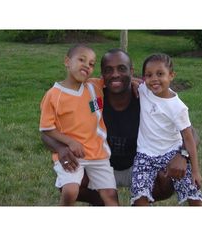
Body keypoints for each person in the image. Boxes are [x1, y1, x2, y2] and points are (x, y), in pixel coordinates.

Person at [41, 49, 189, 205]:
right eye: (108, 70)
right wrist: (62, 148)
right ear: (102, 76)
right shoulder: (93, 96)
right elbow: (46, 133)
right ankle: (103, 204)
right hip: (101, 163)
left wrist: (183, 155)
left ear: (131, 72)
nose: (116, 74)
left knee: (167, 177)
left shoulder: (148, 96)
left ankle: (142, 199)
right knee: (70, 178)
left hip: (139, 166)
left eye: (122, 69)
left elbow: (191, 133)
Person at [39, 44, 119, 206]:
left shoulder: (94, 86)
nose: (87, 65)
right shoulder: (54, 95)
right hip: (73, 155)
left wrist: (137, 82)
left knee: (110, 196)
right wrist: (69, 142)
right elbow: (47, 128)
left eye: (91, 64)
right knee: (70, 191)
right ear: (67, 61)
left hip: (99, 154)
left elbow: (116, 80)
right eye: (81, 60)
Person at [131, 53, 202, 206]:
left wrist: (196, 170)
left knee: (193, 193)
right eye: (149, 75)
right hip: (144, 155)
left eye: (160, 74)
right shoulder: (144, 90)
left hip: (171, 152)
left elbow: (189, 137)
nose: (154, 79)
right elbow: (131, 82)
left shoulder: (178, 107)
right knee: (139, 197)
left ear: (171, 75)